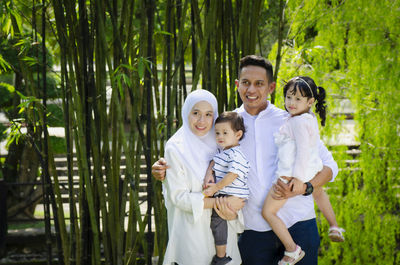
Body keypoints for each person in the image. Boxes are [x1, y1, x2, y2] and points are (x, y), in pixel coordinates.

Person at [153, 55, 339, 265]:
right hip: (253, 232)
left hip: (299, 224)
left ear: (271, 87)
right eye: (245, 83)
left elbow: (329, 168)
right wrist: (165, 167)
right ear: (237, 85)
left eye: (259, 84)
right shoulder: (226, 125)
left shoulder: (290, 119)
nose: (251, 90)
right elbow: (194, 147)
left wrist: (304, 187)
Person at [262, 76, 344, 265]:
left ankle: (292, 250)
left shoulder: (297, 122)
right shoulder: (308, 118)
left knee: (268, 212)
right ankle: (334, 226)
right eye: (289, 97)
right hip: (312, 170)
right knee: (319, 192)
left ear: (310, 102)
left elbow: (303, 150)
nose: (291, 103)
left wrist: (298, 180)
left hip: (291, 175)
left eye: (298, 99)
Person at [161, 89, 245, 265]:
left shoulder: (220, 141)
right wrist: (222, 202)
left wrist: (235, 207)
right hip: (191, 233)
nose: (202, 121)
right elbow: (179, 198)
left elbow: (238, 179)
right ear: (186, 113)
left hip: (223, 233)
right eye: (196, 113)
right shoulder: (175, 148)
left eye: (208, 114)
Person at [202, 111, 250, 265]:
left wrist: (215, 188)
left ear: (238, 134)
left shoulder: (236, 154)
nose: (220, 136)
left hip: (233, 196)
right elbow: (213, 161)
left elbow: (232, 175)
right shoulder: (224, 151)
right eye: (217, 133)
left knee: (217, 221)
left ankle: (221, 257)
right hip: (227, 194)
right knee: (218, 221)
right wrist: (210, 172)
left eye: (225, 132)